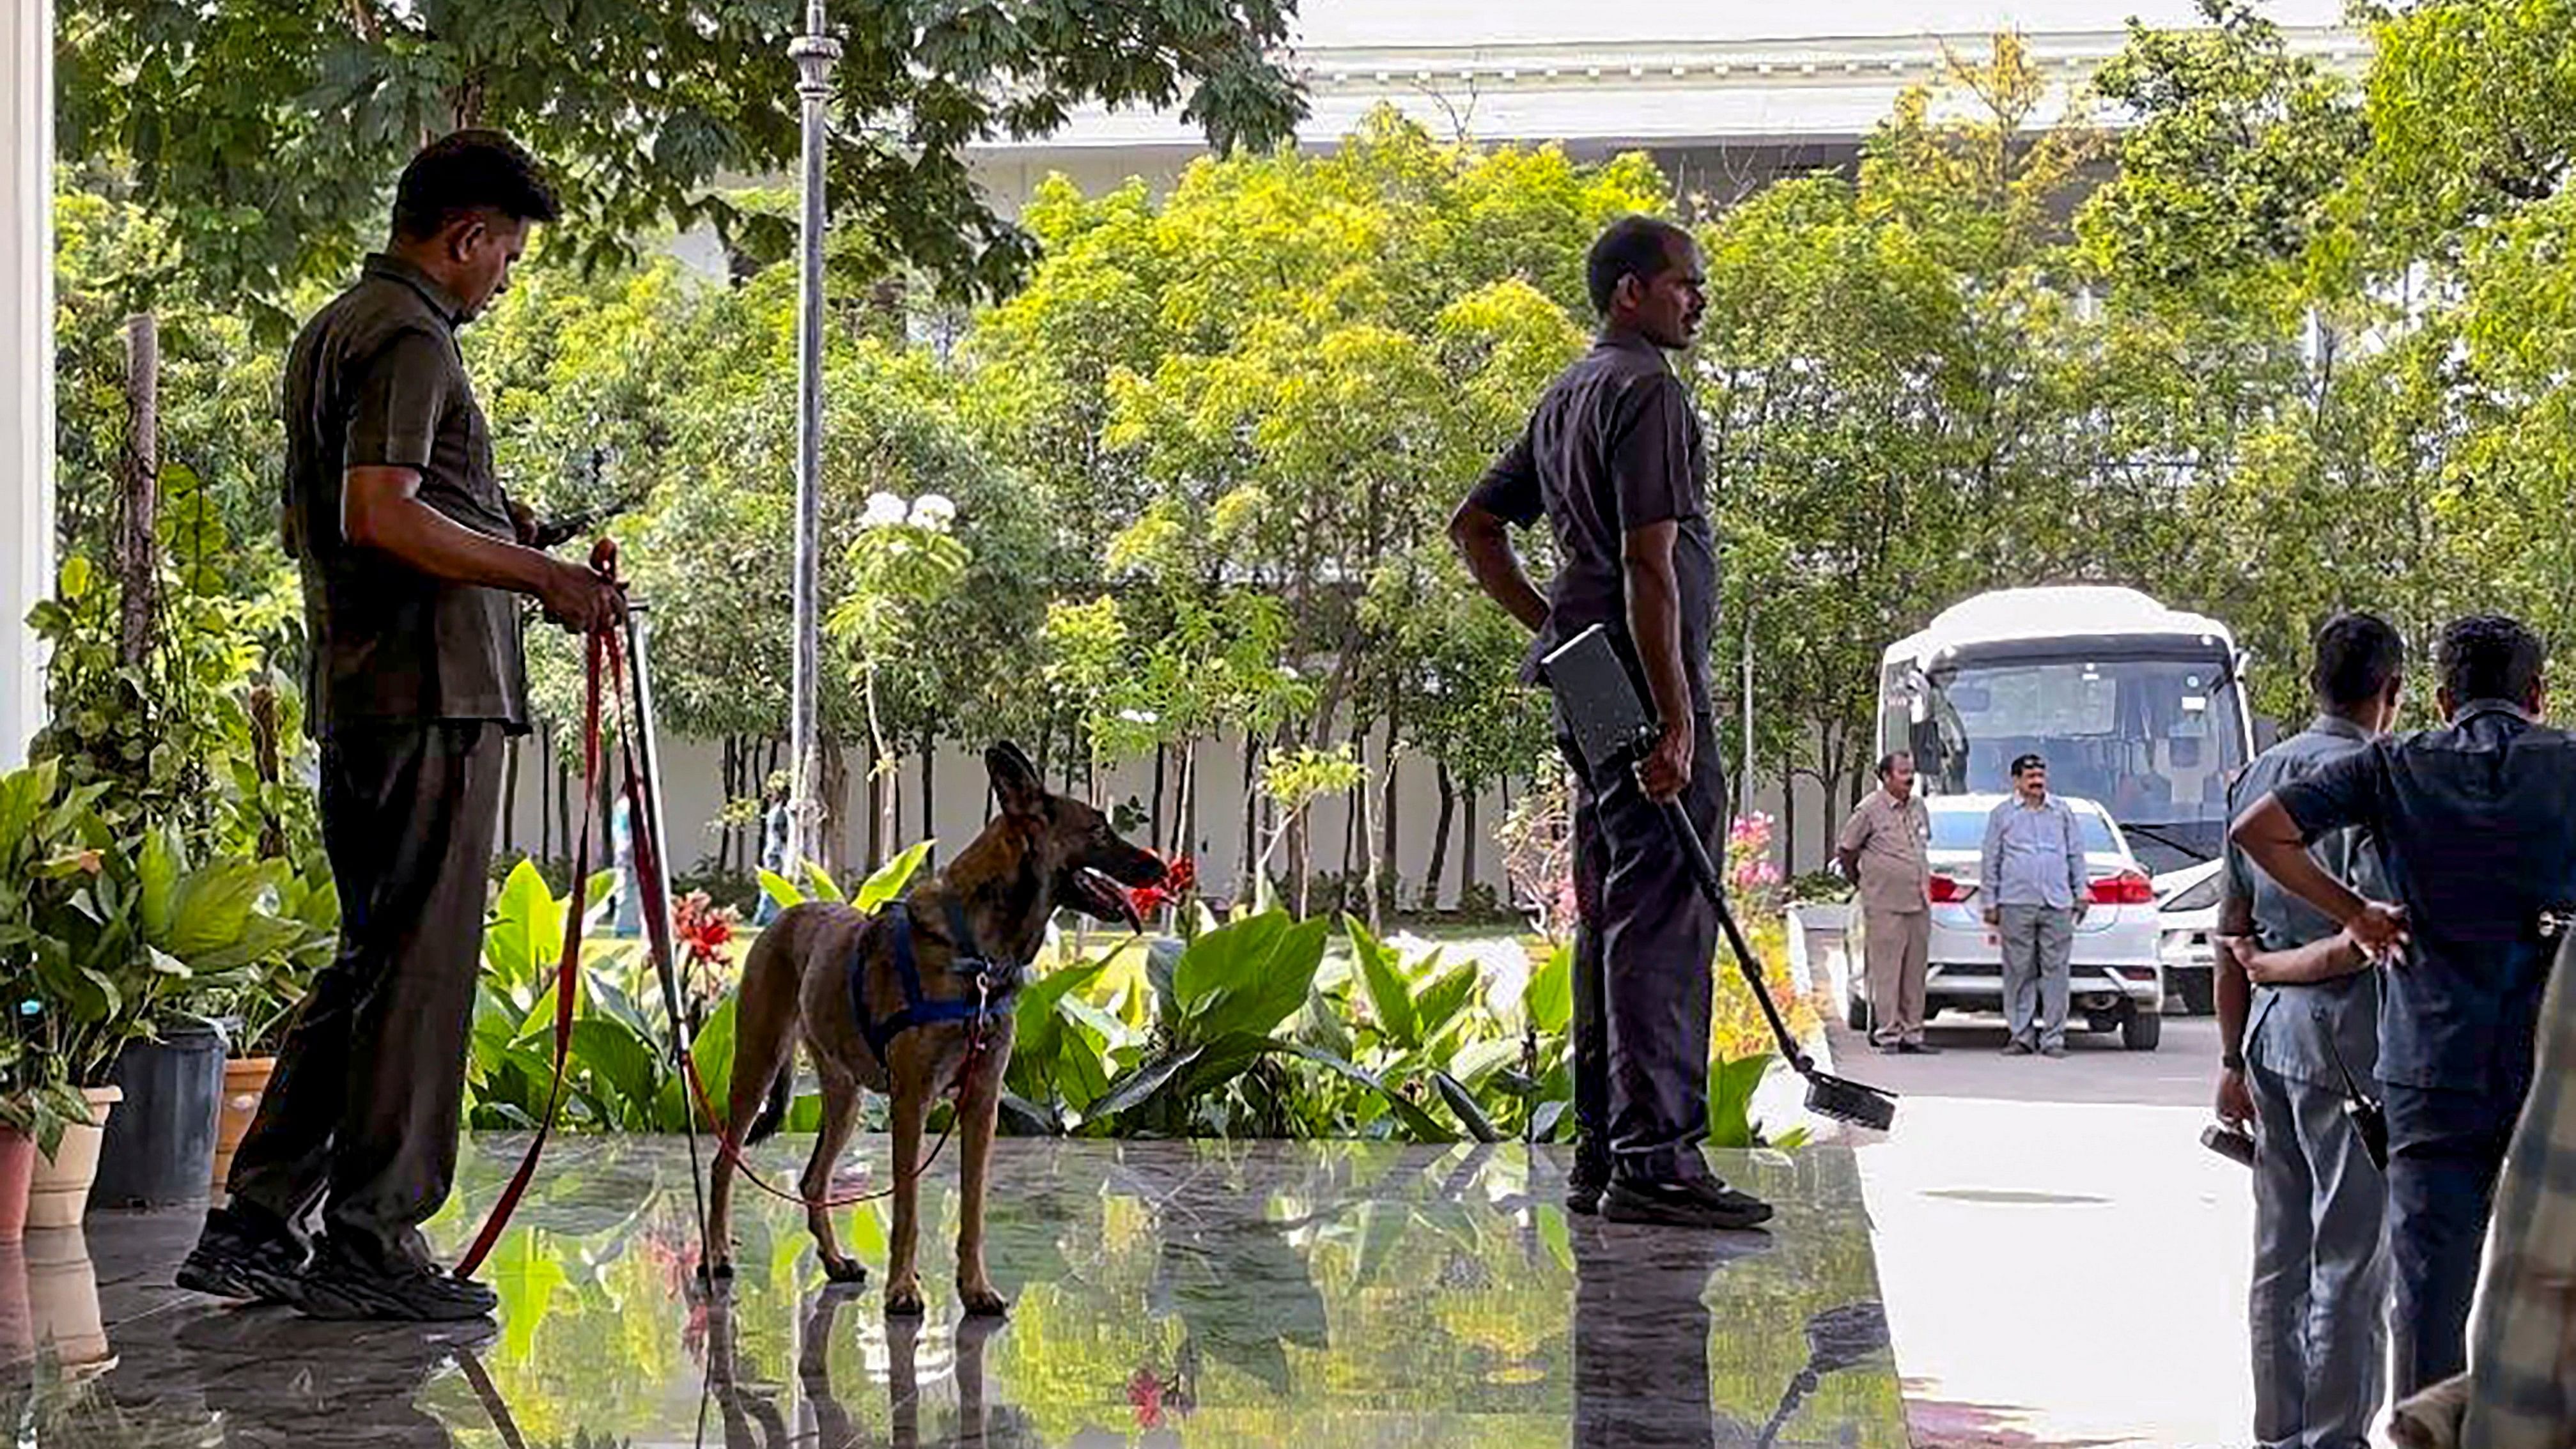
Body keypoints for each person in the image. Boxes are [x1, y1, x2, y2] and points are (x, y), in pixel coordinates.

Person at [178, 130, 625, 1322]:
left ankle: (257, 1222)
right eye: (507, 257)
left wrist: (487, 517)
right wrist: (543, 575)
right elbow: (379, 511)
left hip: (370, 688)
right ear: (465, 235)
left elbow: (387, 500)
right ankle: (373, 1239)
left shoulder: (339, 325)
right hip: (429, 694)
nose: (504, 280)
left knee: (372, 961)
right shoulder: (415, 336)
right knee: (420, 973)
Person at [1449, 214, 1770, 1231]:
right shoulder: (1646, 392)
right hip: (1637, 676)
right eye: (1685, 283)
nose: (1698, 299)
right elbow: (1648, 563)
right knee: (1662, 912)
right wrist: (1675, 719)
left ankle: (1604, 1150)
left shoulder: (1566, 393)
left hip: (1590, 674)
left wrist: (1555, 627)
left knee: (1612, 903)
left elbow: (1476, 527)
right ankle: (1656, 1158)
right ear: (1630, 289)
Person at [2231, 614, 2576, 1397]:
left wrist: (2354, 910)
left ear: (2444, 697)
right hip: (2558, 1077)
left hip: (2431, 1067)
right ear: (2539, 695)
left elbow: (2262, 831)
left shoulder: (2393, 765)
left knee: (2426, 1295)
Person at [2213, 611, 2405, 1449]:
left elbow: (2231, 923)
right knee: (2349, 1261)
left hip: (2265, 1038)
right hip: (2348, 1041)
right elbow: (2369, 939)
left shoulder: (2261, 768)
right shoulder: (2376, 777)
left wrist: (2227, 1055)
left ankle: (2276, 1429)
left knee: (2277, 1252)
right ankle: (2330, 1437)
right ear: (2389, 692)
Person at [1979, 754, 2088, 1058]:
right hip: (2016, 902)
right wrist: (1990, 900)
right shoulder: (2002, 814)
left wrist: (2081, 891)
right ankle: (2021, 1035)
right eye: (2030, 777)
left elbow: (2075, 854)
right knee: (2019, 971)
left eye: (2041, 775)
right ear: (2016, 781)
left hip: (2057, 902)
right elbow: (1991, 859)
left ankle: (2054, 1038)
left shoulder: (2061, 812)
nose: (2037, 782)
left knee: (2056, 972)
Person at [1835, 751, 1937, 1055]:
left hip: (1917, 901)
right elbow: (1847, 849)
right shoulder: (1869, 810)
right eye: (1903, 772)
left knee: (1915, 972)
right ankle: (1888, 1034)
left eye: (1911, 771)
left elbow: (1922, 844)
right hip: (1884, 903)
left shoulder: (1918, 806)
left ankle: (1913, 1034)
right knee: (1886, 971)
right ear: (1886, 777)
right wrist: (1862, 882)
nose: (1909, 778)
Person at [754, 773, 791, 927]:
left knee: (770, 888)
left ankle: (763, 918)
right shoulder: (780, 813)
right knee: (772, 888)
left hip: (772, 852)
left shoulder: (775, 811)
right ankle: (764, 919)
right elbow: (781, 835)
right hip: (777, 854)